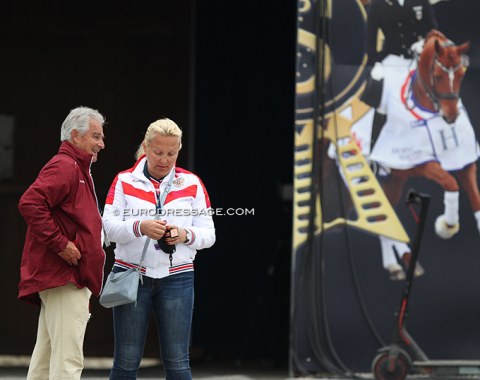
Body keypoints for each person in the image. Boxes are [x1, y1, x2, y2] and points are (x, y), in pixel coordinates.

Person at [102, 117, 216, 380]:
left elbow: (209, 234)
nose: (164, 159)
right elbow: (108, 228)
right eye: (158, 152)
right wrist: (140, 226)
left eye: (171, 153)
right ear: (146, 146)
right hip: (131, 275)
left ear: (179, 150)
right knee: (126, 361)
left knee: (178, 362)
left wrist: (184, 234)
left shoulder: (192, 183)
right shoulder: (124, 180)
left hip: (178, 277)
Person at [18, 106, 107, 379]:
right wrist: (61, 244)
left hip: (62, 278)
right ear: (75, 136)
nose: (102, 144)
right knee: (68, 362)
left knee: (45, 362)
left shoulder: (76, 168)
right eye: (96, 136)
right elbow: (30, 203)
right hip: (65, 277)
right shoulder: (66, 165)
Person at [360, 0, 438, 280]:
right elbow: (371, 39)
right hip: (391, 63)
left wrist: (427, 45)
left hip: (415, 62)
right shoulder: (380, 6)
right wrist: (373, 65)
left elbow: (433, 31)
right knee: (381, 100)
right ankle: (373, 150)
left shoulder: (420, 3)